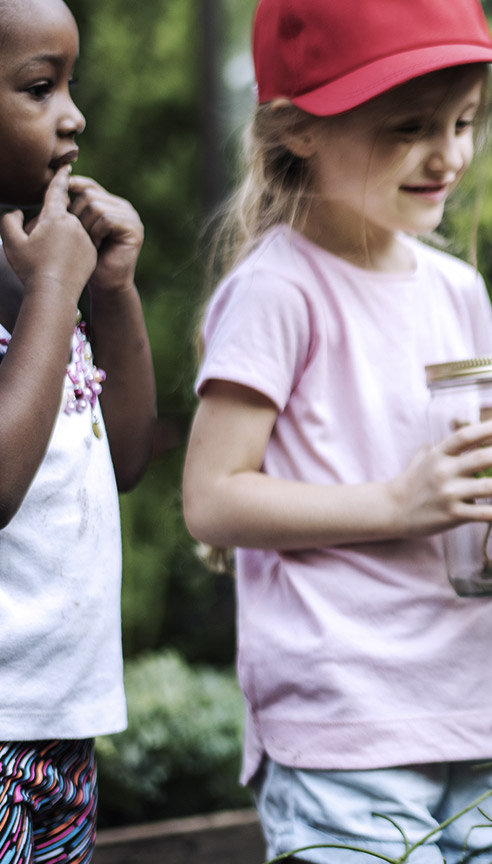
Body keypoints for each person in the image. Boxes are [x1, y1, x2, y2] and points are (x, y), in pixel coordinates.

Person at [180, 1, 492, 860]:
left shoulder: (455, 290)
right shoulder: (277, 292)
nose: (451, 154)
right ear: (297, 130)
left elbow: (474, 496)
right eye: (411, 128)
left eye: (464, 121)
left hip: (485, 711)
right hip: (346, 732)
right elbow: (212, 499)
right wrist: (401, 501)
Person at [0, 0, 157, 858]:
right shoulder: (44, 276)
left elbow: (127, 454)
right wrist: (58, 292)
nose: (74, 113)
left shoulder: (39, 259)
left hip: (60, 718)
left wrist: (113, 287)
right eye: (38, 87)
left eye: (71, 80)